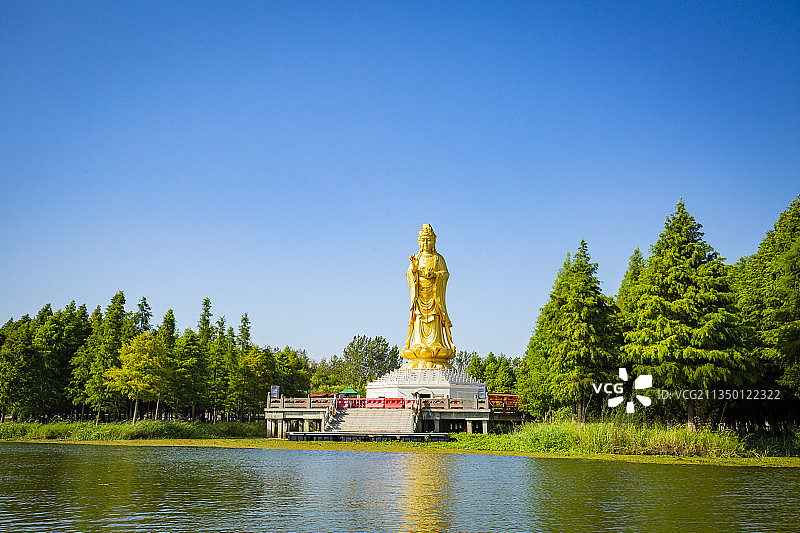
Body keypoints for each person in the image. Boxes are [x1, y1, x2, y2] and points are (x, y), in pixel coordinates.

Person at [402, 224, 455, 369]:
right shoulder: (417, 257)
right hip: (420, 297)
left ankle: (436, 344)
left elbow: (445, 275)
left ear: (434, 241)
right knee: (418, 319)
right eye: (423, 240)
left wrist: (435, 275)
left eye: (428, 240)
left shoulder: (438, 259)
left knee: (435, 320)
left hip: (434, 297)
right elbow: (409, 275)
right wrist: (413, 268)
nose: (426, 243)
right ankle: (418, 344)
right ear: (419, 241)